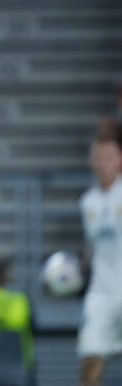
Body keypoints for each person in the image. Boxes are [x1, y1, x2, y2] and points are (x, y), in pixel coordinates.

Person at [77, 130, 122, 386]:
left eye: (109, 156)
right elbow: (92, 248)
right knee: (90, 360)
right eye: (98, 156)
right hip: (101, 292)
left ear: (119, 159)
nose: (103, 161)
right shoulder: (88, 202)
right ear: (91, 161)